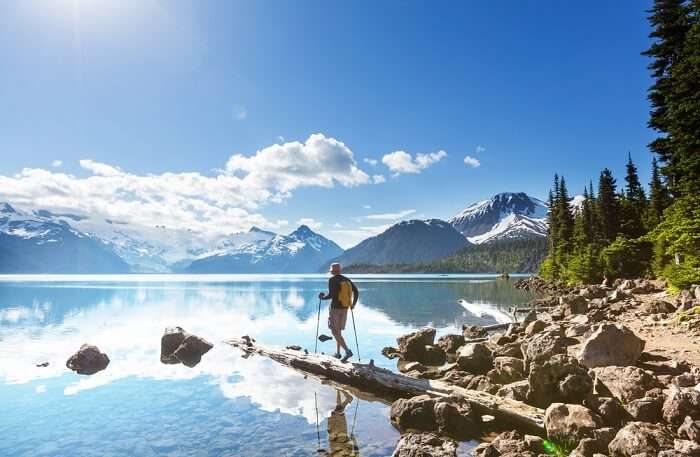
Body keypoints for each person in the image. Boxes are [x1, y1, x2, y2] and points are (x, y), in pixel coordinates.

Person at [319, 262, 358, 361]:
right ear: (340, 270)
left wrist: (322, 297)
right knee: (338, 331)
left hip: (335, 309)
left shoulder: (332, 280)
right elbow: (356, 291)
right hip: (345, 308)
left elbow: (331, 295)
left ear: (332, 271)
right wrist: (353, 304)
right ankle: (338, 353)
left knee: (334, 331)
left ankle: (347, 351)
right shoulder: (346, 279)